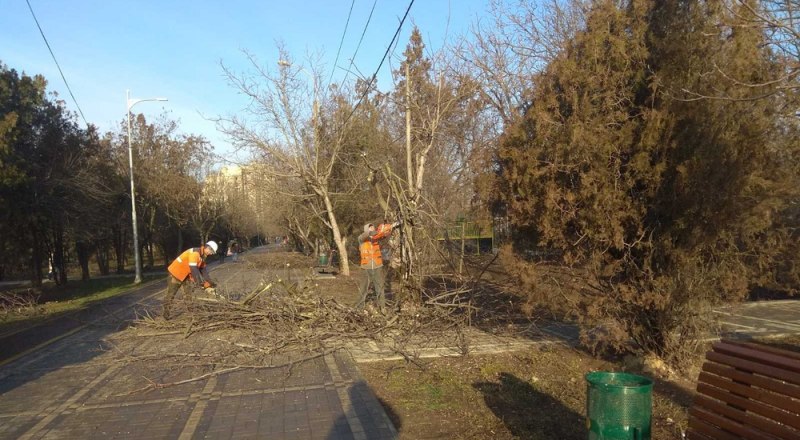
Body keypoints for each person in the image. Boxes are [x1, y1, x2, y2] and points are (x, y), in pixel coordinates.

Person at [163, 241, 218, 319]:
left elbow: (203, 270)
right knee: (171, 295)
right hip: (175, 275)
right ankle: (166, 313)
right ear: (207, 248)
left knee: (188, 295)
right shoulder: (195, 253)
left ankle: (191, 314)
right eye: (211, 251)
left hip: (185, 276)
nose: (212, 253)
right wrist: (200, 283)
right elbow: (193, 268)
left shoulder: (202, 256)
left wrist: (210, 282)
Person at [354, 221, 398, 313]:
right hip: (366, 266)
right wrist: (376, 232)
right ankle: (358, 307)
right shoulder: (361, 239)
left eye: (373, 228)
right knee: (363, 288)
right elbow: (366, 235)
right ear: (366, 229)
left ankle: (382, 307)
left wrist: (388, 228)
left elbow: (384, 234)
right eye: (370, 228)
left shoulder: (376, 239)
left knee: (379, 287)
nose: (372, 229)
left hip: (377, 266)